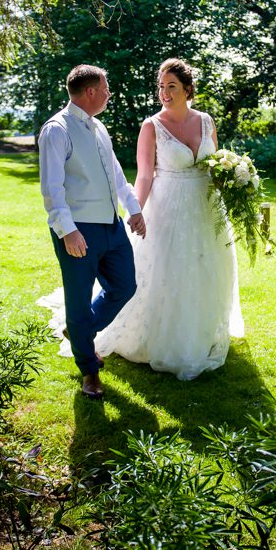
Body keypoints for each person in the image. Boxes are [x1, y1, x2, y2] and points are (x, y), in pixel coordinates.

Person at [89, 58, 244, 380]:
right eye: (161, 86)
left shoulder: (205, 121)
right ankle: (157, 336)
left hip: (205, 208)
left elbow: (214, 164)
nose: (164, 92)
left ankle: (200, 332)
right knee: (167, 271)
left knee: (205, 269)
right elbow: (144, 176)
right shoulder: (151, 126)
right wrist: (136, 211)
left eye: (171, 86)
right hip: (167, 207)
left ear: (187, 89)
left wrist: (235, 182)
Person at [39, 64, 146, 399]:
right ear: (90, 92)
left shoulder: (99, 127)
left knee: (125, 285)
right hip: (78, 229)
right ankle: (89, 371)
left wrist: (134, 208)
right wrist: (67, 231)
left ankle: (79, 329)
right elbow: (51, 188)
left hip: (111, 226)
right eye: (106, 88)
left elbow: (115, 173)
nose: (109, 93)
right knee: (78, 297)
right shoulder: (56, 130)